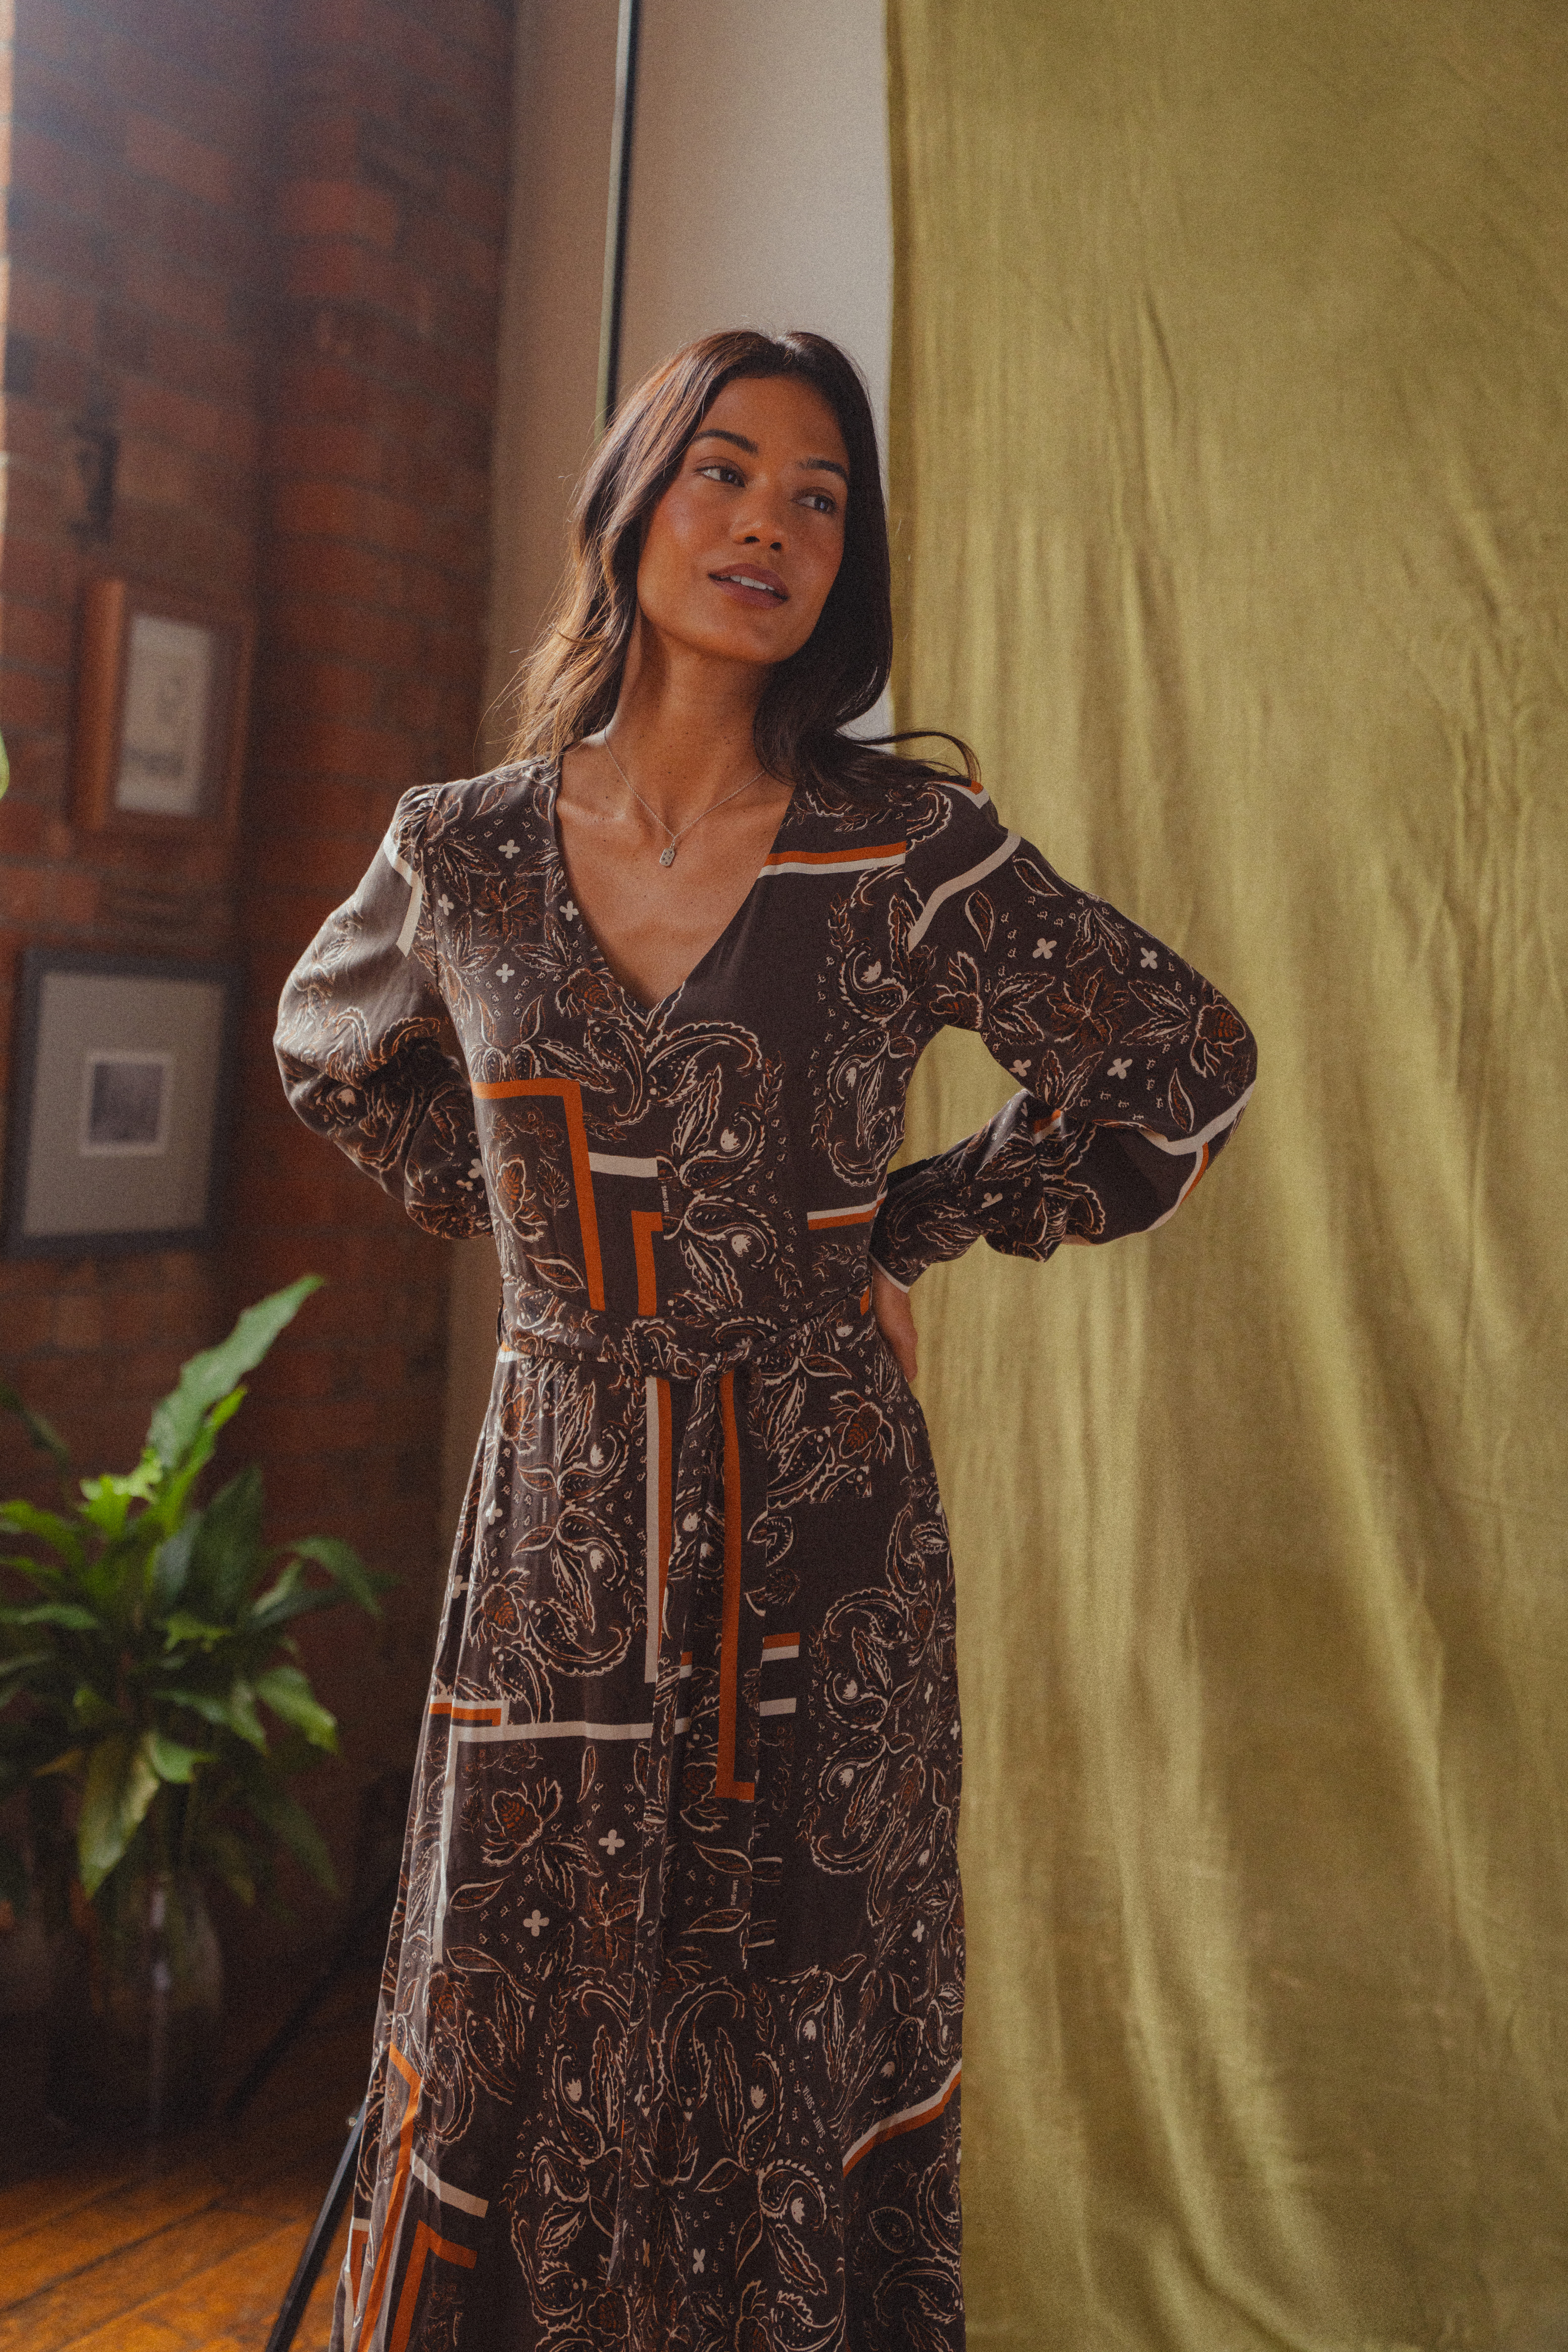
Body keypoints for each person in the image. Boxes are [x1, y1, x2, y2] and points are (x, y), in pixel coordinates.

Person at [275, 328, 1256, 2352]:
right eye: (725, 471)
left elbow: (1181, 1059)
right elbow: (328, 1050)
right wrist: (543, 1239)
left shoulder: (905, 848)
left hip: (824, 1541)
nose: (770, 525)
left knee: (797, 2014)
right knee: (509, 2003)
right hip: (554, 1538)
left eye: (820, 499)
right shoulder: (460, 851)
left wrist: (908, 1224)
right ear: (634, 501)